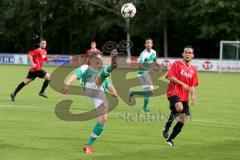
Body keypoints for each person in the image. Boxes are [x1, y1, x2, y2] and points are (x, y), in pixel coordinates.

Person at [61, 50, 118, 154]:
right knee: (97, 79)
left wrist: (113, 90)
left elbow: (107, 83)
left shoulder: (100, 72)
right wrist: (68, 84)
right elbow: (75, 75)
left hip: (100, 94)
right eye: (96, 58)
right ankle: (112, 66)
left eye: (100, 59)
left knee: (103, 119)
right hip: (90, 86)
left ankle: (89, 145)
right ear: (91, 59)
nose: (98, 60)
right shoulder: (85, 67)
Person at [162, 46, 199, 147]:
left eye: (190, 53)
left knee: (182, 119)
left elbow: (191, 85)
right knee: (179, 107)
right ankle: (166, 127)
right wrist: (181, 83)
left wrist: (193, 95)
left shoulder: (193, 70)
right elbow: (169, 76)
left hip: (184, 95)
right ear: (182, 54)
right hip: (173, 91)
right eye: (186, 52)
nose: (188, 54)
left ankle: (170, 140)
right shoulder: (176, 64)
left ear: (193, 55)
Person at [128, 38, 160, 112]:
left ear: (152, 44)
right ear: (145, 45)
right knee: (150, 91)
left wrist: (158, 67)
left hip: (146, 74)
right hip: (142, 73)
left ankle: (133, 93)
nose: (148, 44)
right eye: (147, 43)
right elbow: (139, 66)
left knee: (148, 91)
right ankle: (143, 107)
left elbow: (154, 60)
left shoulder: (153, 52)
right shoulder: (143, 54)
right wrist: (148, 69)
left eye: (150, 43)